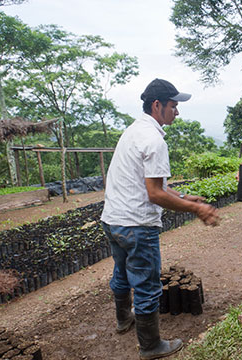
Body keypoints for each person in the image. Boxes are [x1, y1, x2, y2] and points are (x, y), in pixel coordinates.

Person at [101, 78, 219, 360]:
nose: (177, 112)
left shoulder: (133, 131)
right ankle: (151, 346)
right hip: (137, 225)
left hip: (113, 220)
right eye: (173, 106)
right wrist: (196, 210)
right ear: (157, 105)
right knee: (147, 285)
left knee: (121, 272)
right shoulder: (154, 140)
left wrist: (185, 197)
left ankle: (123, 319)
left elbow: (151, 184)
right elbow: (154, 194)